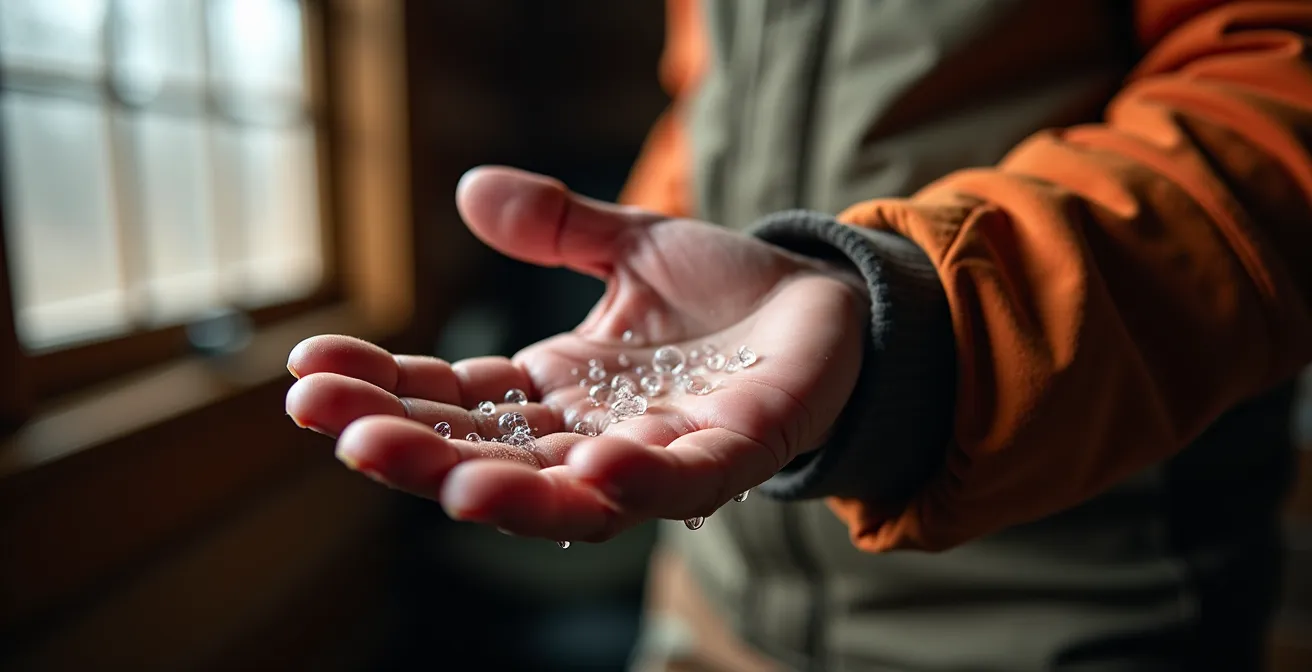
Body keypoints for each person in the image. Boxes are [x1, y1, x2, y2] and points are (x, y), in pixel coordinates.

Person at [284, 0, 1312, 669]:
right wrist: (665, 242)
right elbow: (728, 98)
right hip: (714, 599)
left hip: (1063, 610)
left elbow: (1275, 89)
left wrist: (900, 319)